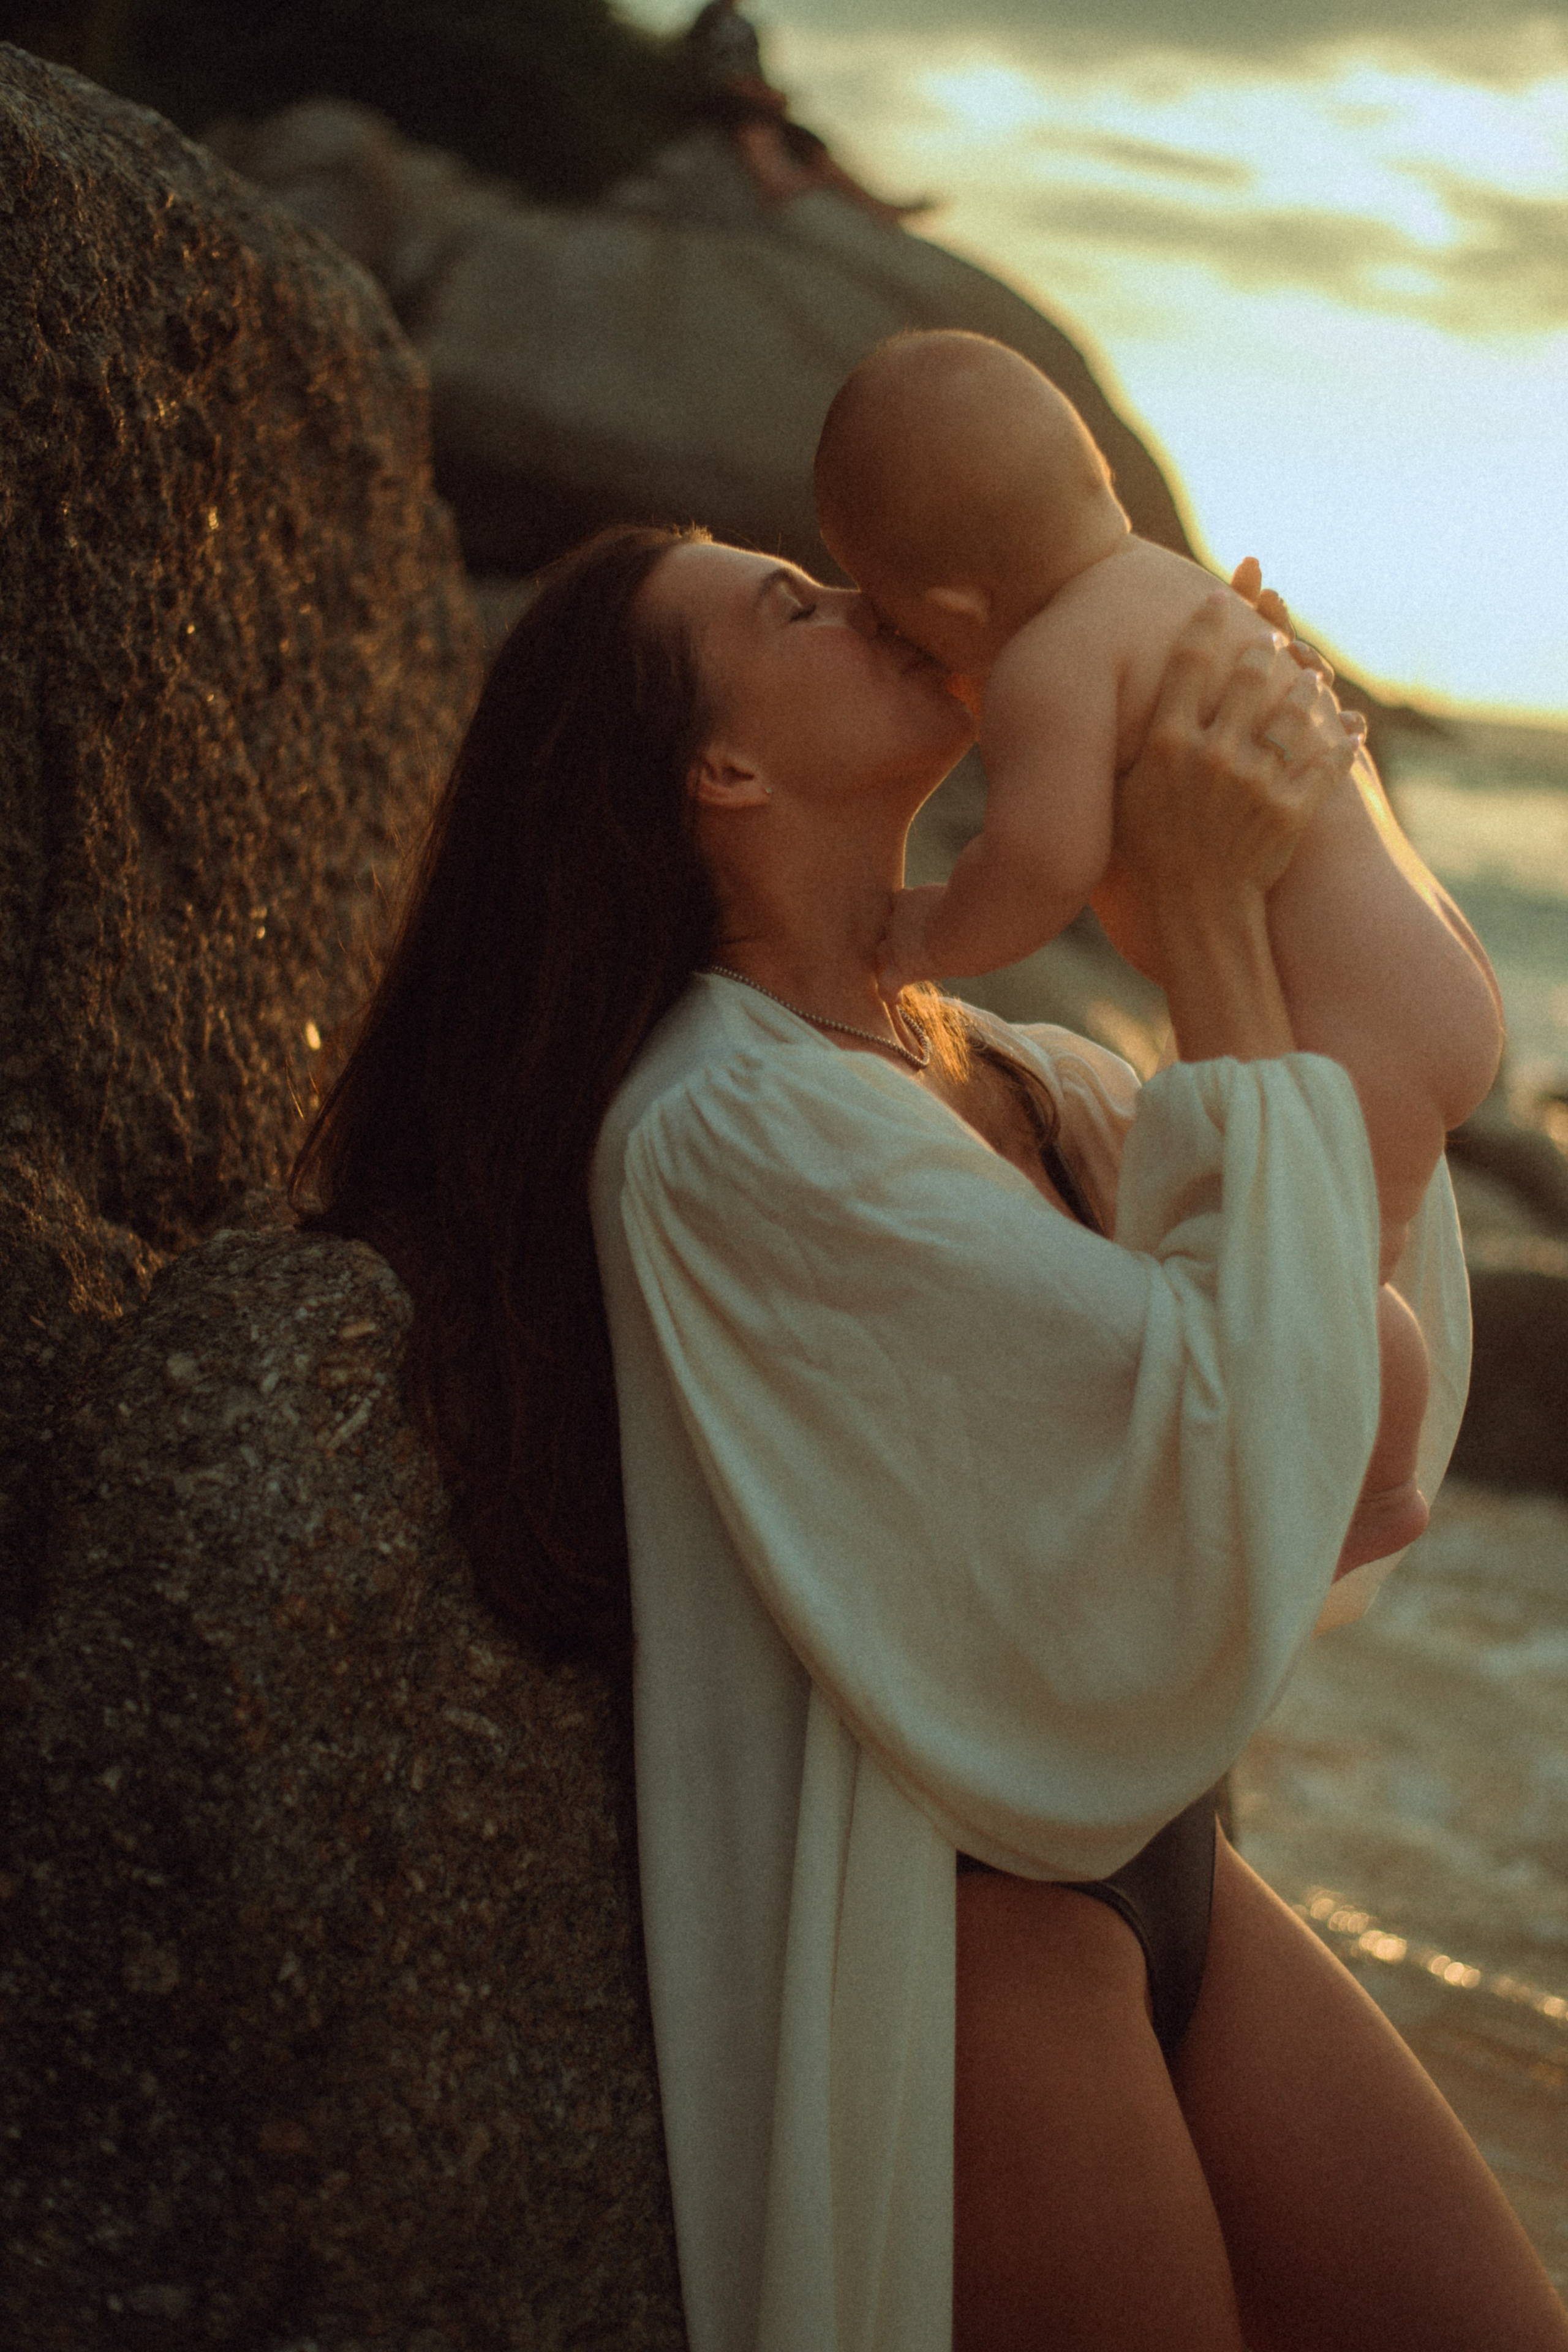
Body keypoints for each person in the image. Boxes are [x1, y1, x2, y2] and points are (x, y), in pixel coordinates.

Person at [292, 524, 1567, 2352]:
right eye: (785, 609)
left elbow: (1342, 1422)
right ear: (716, 771)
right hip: (967, 1943)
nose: (858, 597)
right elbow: (1212, 1486)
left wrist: (1285, 846)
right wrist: (1201, 932)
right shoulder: (722, 1131)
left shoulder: (1010, 1068)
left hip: (1159, 1853)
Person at [814, 328, 1504, 1588]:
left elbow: (1039, 861)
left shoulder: (1043, 661)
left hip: (1356, 1009)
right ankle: (1370, 1467)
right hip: (1417, 964)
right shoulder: (1170, 590)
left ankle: (1376, 1482)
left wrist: (919, 933)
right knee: (1329, 1243)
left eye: (887, 610)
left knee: (1314, 1260)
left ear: (957, 607)